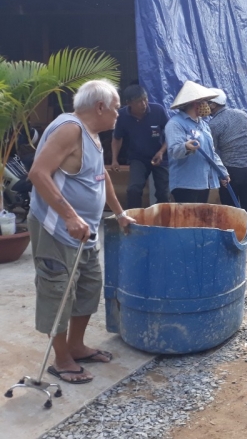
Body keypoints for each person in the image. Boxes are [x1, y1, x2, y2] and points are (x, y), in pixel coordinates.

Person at [27, 79, 136, 384]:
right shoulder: (70, 129)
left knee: (89, 286)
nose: (118, 115)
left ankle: (76, 346)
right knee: (58, 291)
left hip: (85, 232)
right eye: (116, 109)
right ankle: (61, 359)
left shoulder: (93, 134)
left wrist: (119, 213)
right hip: (57, 229)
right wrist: (70, 216)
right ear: (100, 107)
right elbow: (38, 173)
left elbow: (101, 178)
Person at [207, 88, 247, 255]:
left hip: (230, 172)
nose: (206, 107)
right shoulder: (242, 114)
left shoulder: (214, 124)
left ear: (214, 105)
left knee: (230, 209)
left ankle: (234, 244)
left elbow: (212, 151)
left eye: (208, 103)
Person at [164, 81, 229, 203]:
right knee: (188, 221)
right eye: (204, 102)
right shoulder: (175, 124)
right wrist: (186, 147)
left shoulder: (203, 125)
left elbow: (211, 152)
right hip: (185, 185)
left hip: (203, 183)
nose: (207, 105)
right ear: (196, 104)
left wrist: (222, 172)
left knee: (199, 220)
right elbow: (174, 151)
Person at [111, 85, 170, 208]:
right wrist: (114, 160)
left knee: (163, 193)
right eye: (138, 102)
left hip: (160, 157)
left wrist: (161, 152)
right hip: (138, 158)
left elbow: (171, 134)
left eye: (145, 99)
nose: (143, 104)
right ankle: (134, 221)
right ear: (128, 103)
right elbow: (117, 138)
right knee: (133, 189)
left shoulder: (158, 110)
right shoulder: (121, 116)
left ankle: (162, 221)